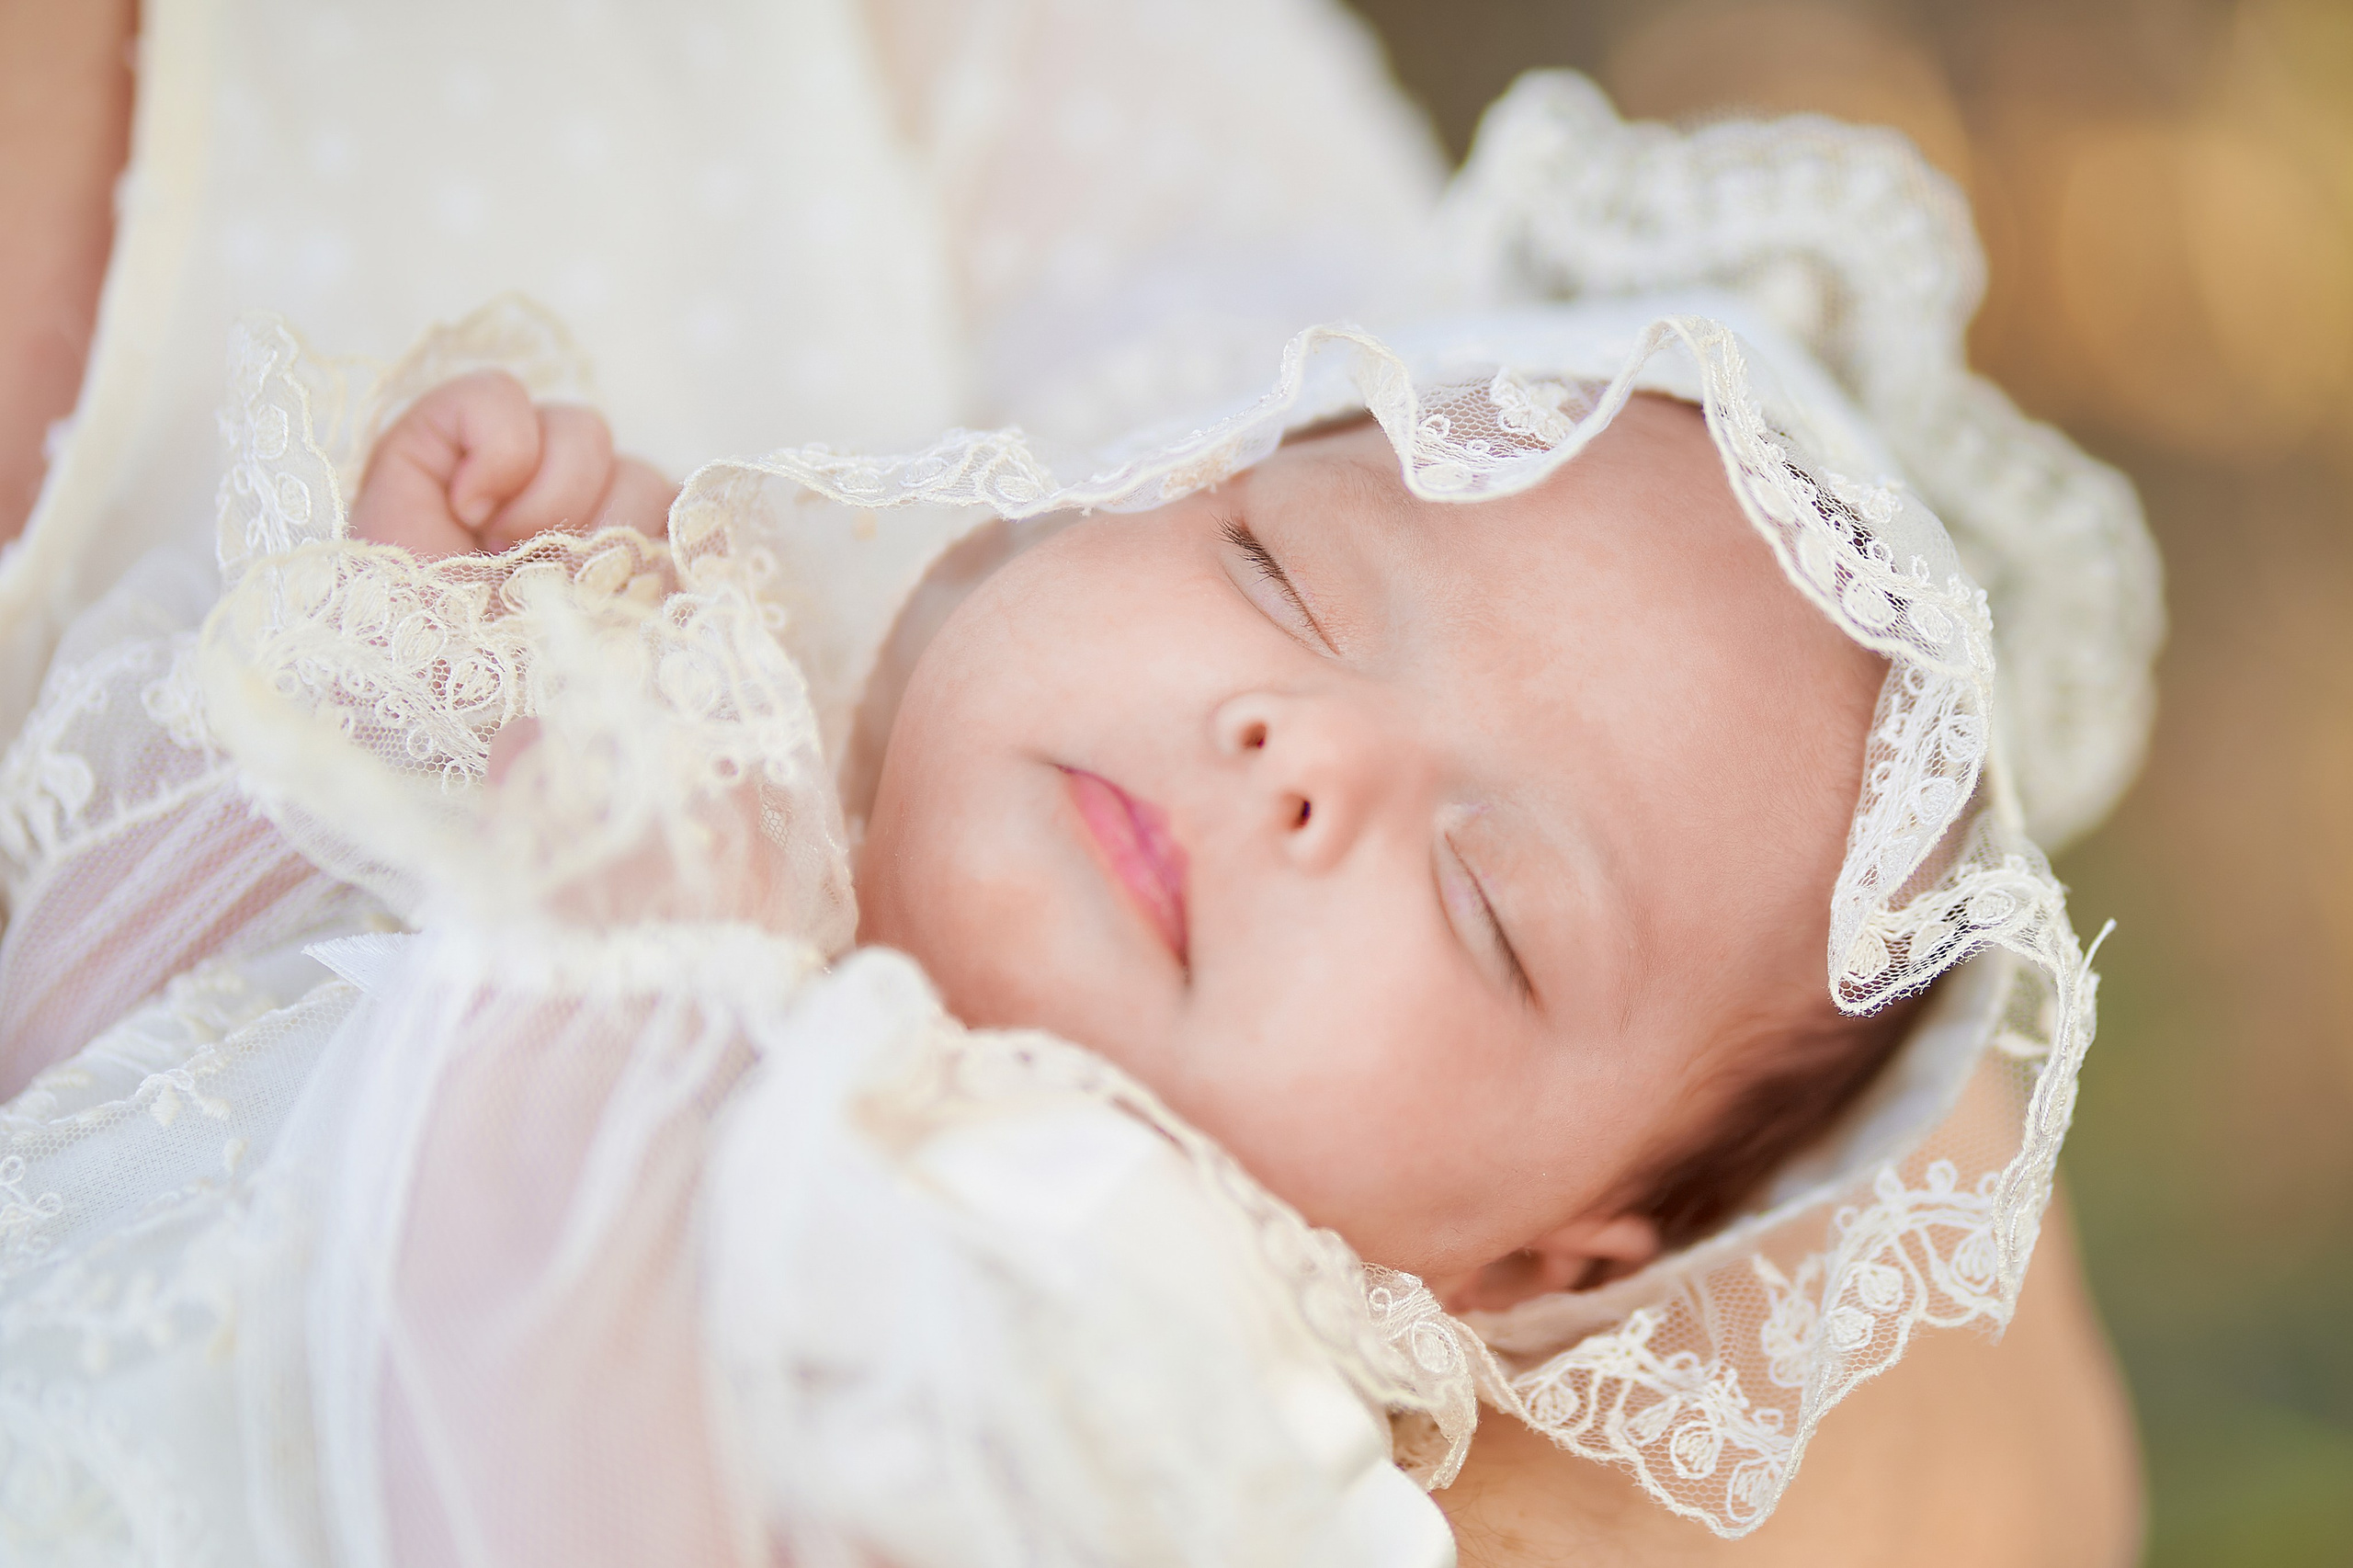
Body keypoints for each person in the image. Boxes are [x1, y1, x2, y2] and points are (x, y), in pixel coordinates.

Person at [0, 5, 2153, 1564]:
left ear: (1529, 1269)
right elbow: (86, 1111)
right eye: (1276, 574)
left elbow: (540, 1478)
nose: (1299, 753)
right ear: (1089, 495)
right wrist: (379, 718)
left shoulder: (1131, 1359)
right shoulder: (717, 772)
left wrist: (619, 940)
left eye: (1481, 902)